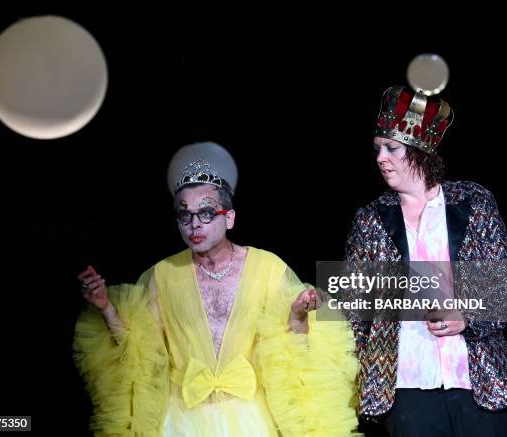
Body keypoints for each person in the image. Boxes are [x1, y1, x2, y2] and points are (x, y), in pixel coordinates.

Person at [74, 157, 358, 436]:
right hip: (182, 418)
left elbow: (299, 356)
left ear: (229, 218)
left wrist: (298, 315)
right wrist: (107, 309)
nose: (194, 224)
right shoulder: (163, 274)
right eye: (185, 215)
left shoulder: (268, 268)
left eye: (206, 212)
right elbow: (141, 354)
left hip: (251, 418)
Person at [344, 86, 507, 436]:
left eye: (392, 148)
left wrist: (468, 315)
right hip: (405, 386)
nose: (381, 158)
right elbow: (355, 311)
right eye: (378, 149)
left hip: (479, 382)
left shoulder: (472, 202)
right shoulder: (370, 219)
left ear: (420, 150)